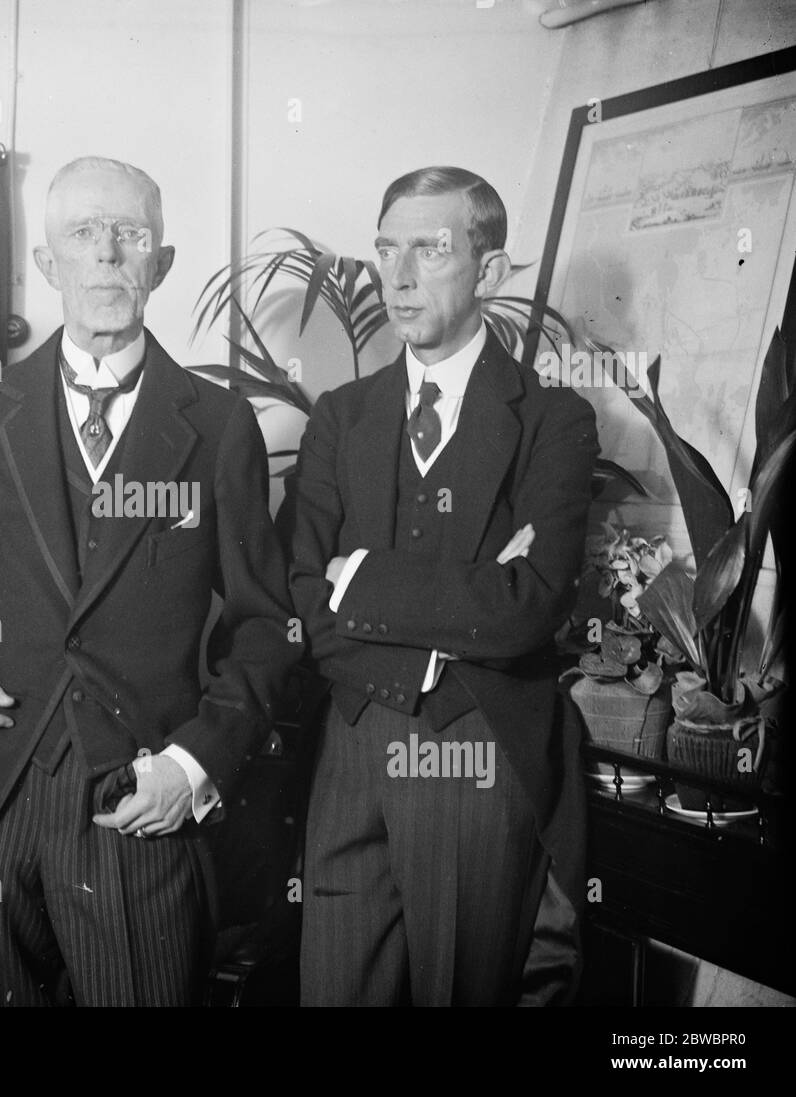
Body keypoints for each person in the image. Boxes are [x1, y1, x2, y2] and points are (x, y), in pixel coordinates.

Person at [0, 156, 298, 1006]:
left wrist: (193, 764)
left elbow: (268, 625)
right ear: (48, 265)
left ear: (162, 262)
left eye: (131, 235)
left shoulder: (220, 428)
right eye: (83, 233)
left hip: (135, 807)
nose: (108, 254)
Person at [290, 166, 598, 1006]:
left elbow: (527, 606)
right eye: (387, 249)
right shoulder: (340, 417)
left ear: (491, 273)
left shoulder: (551, 420)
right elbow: (302, 593)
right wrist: (462, 592)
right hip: (350, 749)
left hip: (475, 751)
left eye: (430, 249)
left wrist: (361, 576)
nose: (397, 276)